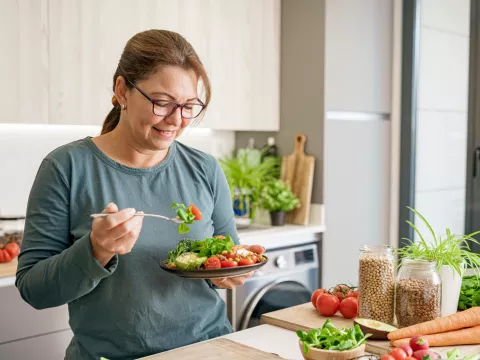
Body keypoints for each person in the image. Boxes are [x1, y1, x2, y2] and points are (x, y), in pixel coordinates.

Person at [15, 29, 263, 360]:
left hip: (207, 350)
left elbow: (223, 264)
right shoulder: (66, 167)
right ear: (122, 91)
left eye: (189, 106)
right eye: (162, 103)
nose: (176, 119)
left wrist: (233, 271)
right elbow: (34, 289)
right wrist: (95, 250)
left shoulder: (205, 169)